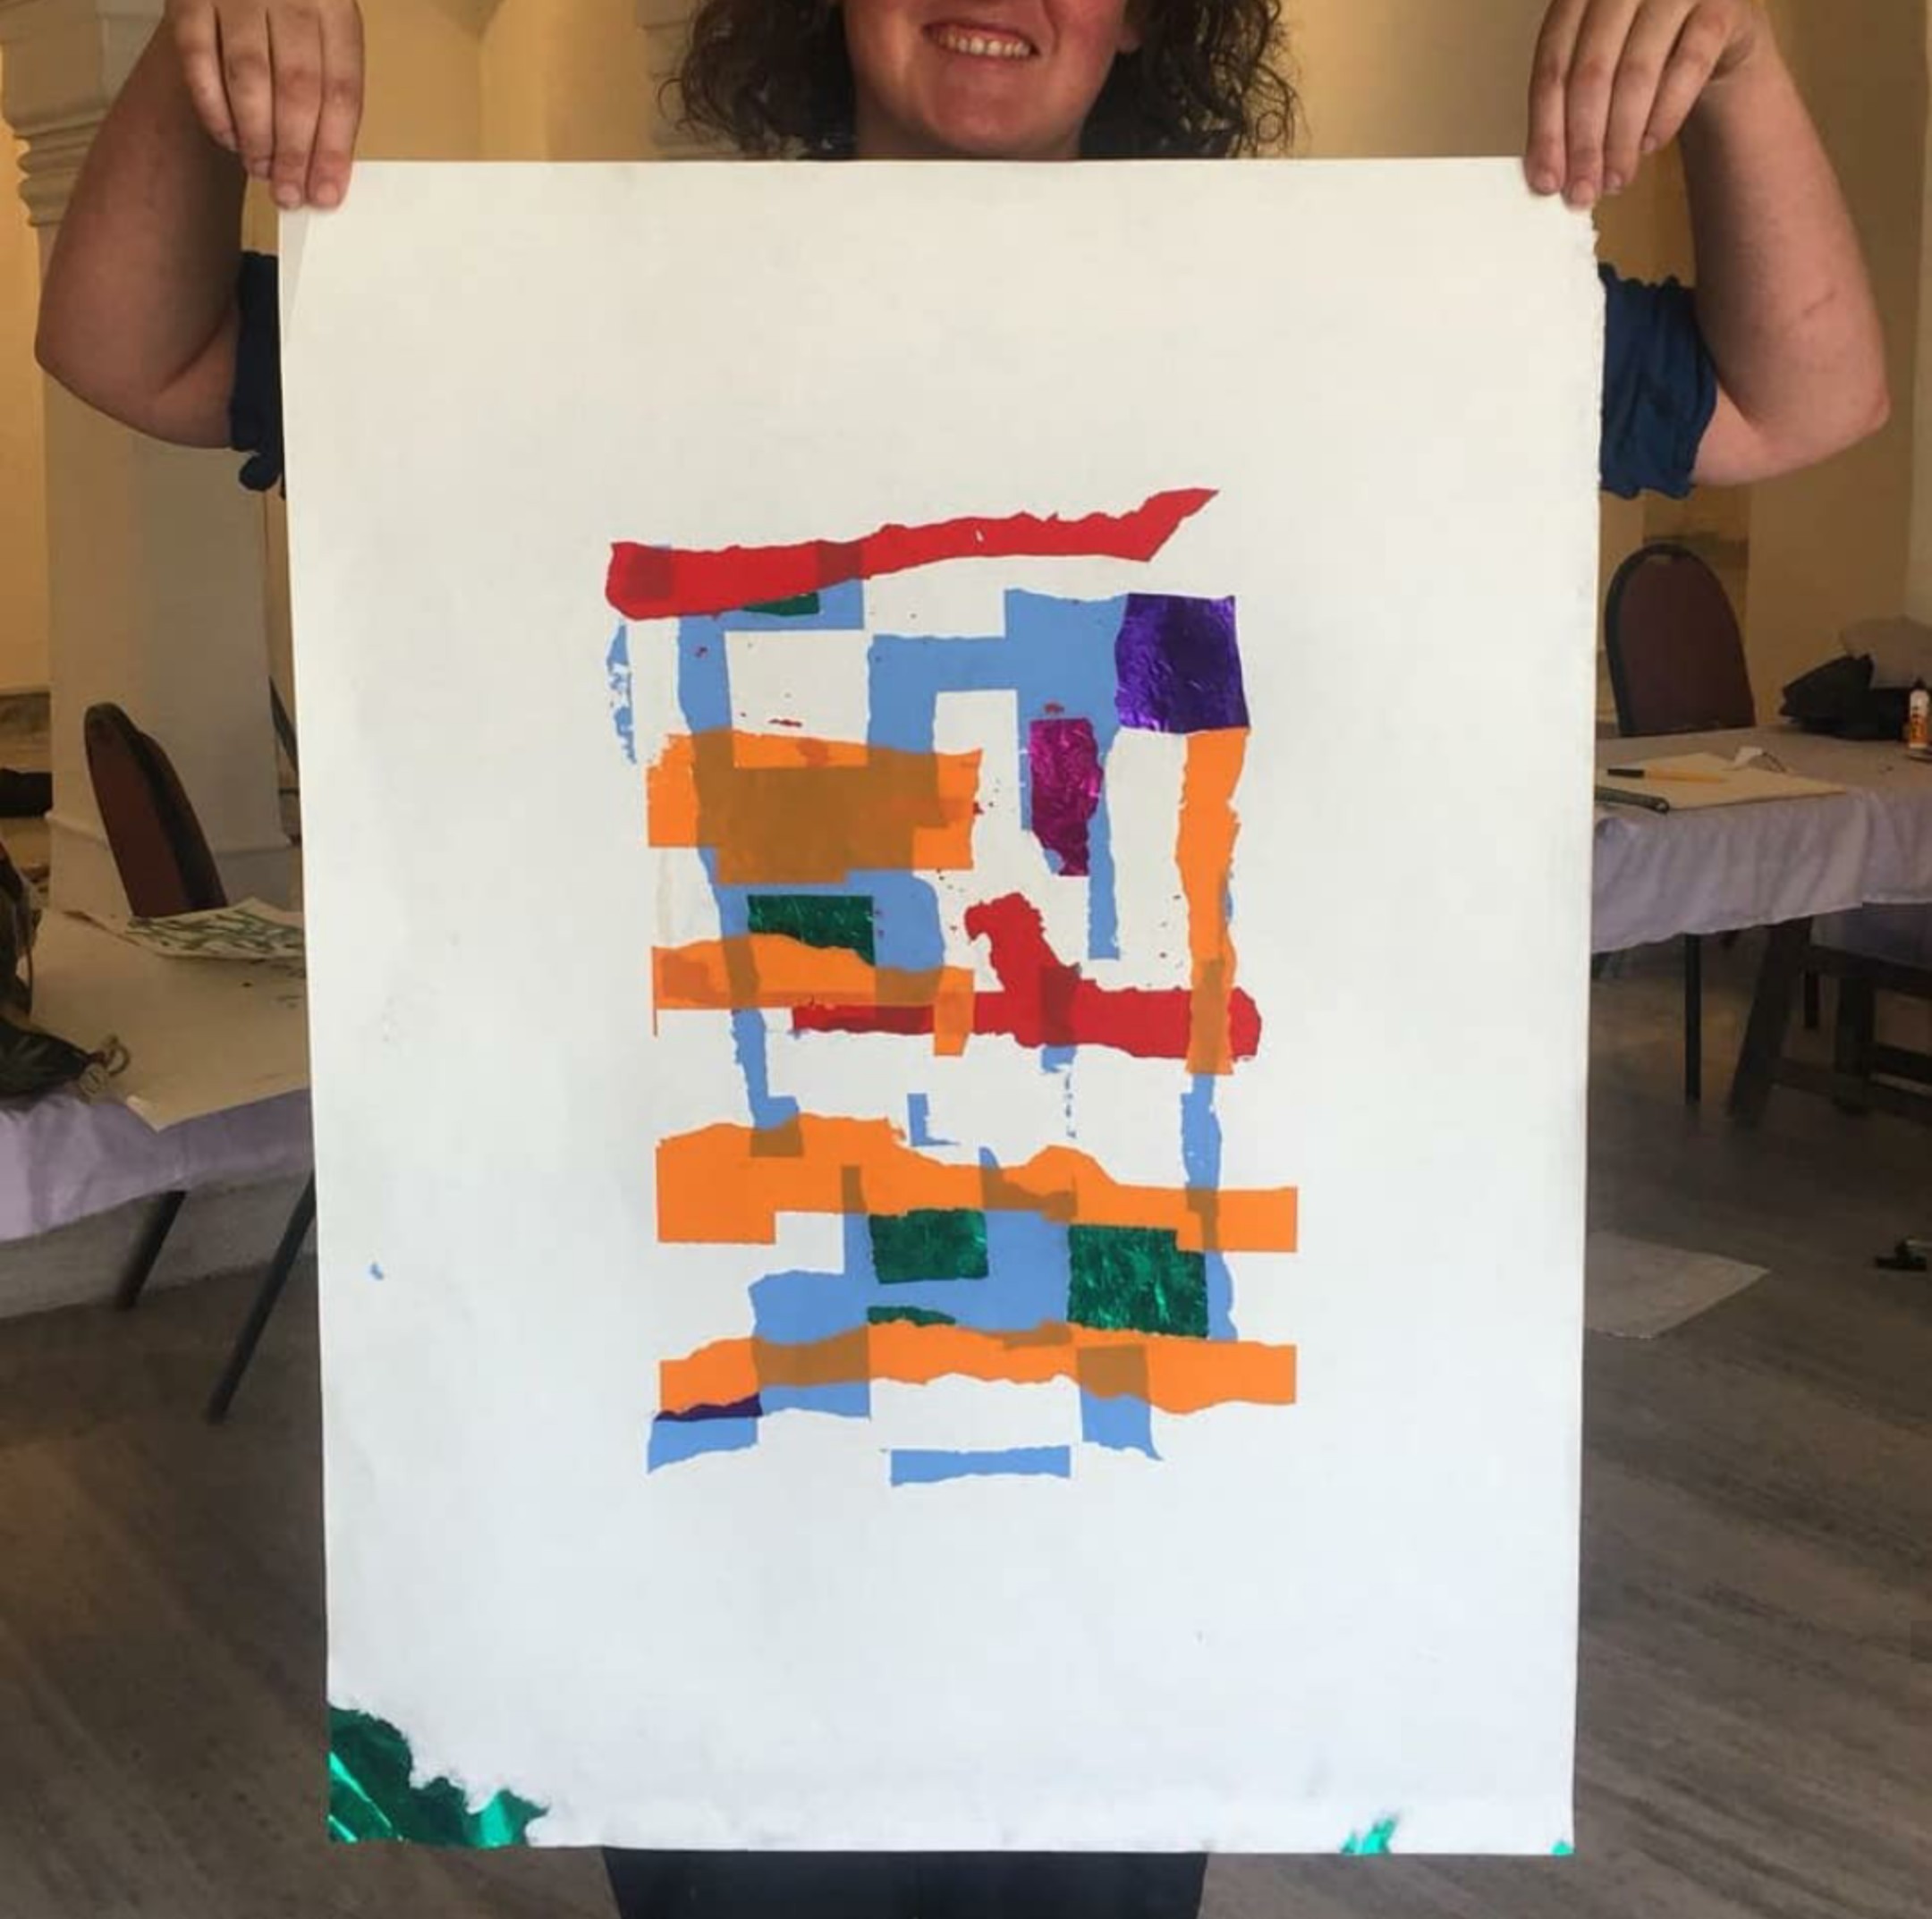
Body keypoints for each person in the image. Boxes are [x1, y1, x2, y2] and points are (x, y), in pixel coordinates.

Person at [30, 4, 1887, 1916]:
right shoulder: (602, 312)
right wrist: (195, 48)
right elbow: (121, 345)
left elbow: (1806, 399)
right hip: (713, 1452)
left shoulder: (1330, 313)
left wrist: (1739, 61)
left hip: (1123, 1428)